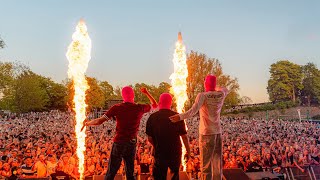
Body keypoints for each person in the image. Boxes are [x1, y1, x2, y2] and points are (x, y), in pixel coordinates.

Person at [83, 86, 157, 180]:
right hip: (132, 143)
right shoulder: (139, 108)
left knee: (111, 172)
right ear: (133, 95)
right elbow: (155, 105)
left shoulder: (117, 108)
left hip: (119, 142)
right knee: (130, 173)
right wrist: (146, 93)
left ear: (123, 96)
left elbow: (99, 121)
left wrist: (87, 123)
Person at [170, 75, 228, 180]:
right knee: (217, 163)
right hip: (218, 132)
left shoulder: (202, 95)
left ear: (206, 83)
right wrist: (214, 86)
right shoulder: (221, 94)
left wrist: (180, 117)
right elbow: (224, 88)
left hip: (206, 133)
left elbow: (193, 110)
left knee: (206, 166)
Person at [146, 93, 190, 180]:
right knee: (174, 176)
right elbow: (184, 136)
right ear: (170, 103)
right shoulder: (177, 117)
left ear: (159, 102)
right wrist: (188, 151)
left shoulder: (152, 117)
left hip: (160, 152)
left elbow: (149, 138)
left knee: (159, 176)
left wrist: (156, 146)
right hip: (175, 152)